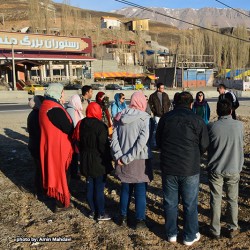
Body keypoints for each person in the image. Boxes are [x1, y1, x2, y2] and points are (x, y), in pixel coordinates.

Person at [156, 91, 209, 246]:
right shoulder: (197, 120)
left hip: (169, 166)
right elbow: (204, 144)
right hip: (189, 168)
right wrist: (195, 154)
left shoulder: (166, 118)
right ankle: (189, 235)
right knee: (190, 203)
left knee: (170, 202)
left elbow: (158, 141)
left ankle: (171, 233)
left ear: (175, 103)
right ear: (191, 104)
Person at [111, 91, 153, 229]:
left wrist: (119, 156)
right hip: (139, 159)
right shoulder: (145, 118)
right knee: (140, 190)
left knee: (125, 189)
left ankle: (122, 217)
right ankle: (140, 220)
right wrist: (128, 157)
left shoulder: (120, 115)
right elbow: (142, 141)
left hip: (122, 159)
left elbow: (114, 139)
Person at [207, 99, 244, 239]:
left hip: (216, 168)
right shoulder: (239, 126)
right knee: (232, 199)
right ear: (231, 110)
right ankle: (233, 227)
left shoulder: (211, 127)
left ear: (217, 111)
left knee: (215, 199)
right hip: (234, 167)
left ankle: (215, 230)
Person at [73, 102, 113, 221]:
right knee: (99, 188)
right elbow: (103, 146)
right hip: (98, 159)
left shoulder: (82, 123)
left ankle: (92, 211)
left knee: (90, 185)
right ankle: (100, 213)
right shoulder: (100, 126)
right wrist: (109, 158)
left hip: (85, 158)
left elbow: (77, 139)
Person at [39, 83, 74, 212]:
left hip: (51, 146)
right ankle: (60, 203)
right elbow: (67, 127)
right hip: (58, 149)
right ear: (57, 92)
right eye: (62, 92)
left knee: (58, 173)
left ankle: (58, 198)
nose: (63, 94)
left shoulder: (45, 105)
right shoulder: (54, 109)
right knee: (62, 175)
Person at [27, 95, 45, 198]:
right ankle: (40, 191)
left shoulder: (32, 114)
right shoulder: (38, 115)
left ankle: (39, 190)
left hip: (33, 144)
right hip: (37, 145)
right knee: (40, 169)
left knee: (38, 168)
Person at [66, 94, 84, 179]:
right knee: (74, 156)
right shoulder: (70, 110)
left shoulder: (76, 110)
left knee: (76, 155)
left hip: (77, 136)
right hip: (73, 137)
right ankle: (74, 173)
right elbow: (74, 124)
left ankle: (75, 171)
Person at [148, 82, 171, 148]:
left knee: (164, 129)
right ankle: (155, 144)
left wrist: (167, 109)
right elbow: (149, 104)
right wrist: (154, 110)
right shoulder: (152, 96)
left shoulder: (165, 95)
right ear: (158, 88)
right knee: (156, 129)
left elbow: (168, 103)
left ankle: (163, 143)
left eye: (163, 88)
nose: (163, 89)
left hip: (165, 115)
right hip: (157, 115)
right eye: (161, 88)